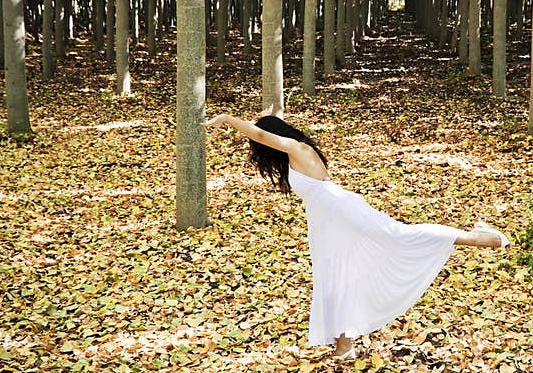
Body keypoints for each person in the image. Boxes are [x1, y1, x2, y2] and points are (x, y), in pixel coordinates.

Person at [202, 113, 510, 360]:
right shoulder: (296, 150)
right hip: (327, 219)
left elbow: (259, 134)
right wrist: (265, 114)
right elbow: (265, 128)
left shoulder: (297, 149)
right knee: (335, 274)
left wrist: (227, 119)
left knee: (399, 234)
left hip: (339, 211)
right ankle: (343, 345)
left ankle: (483, 239)